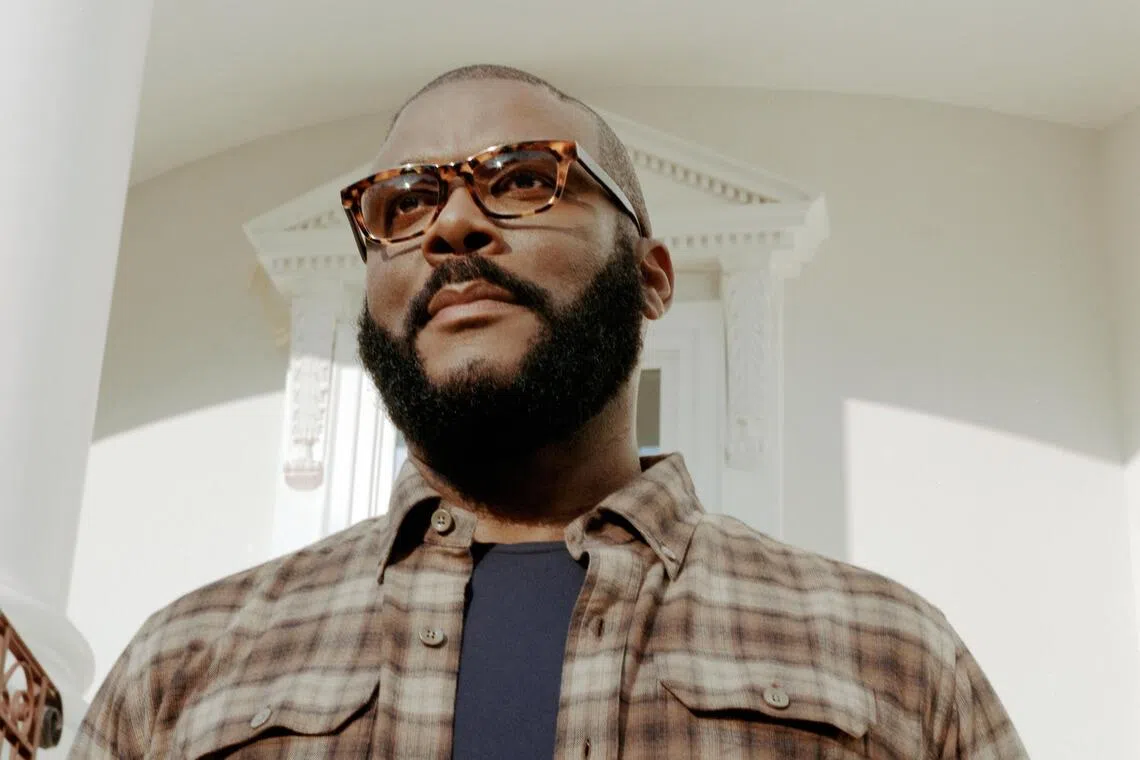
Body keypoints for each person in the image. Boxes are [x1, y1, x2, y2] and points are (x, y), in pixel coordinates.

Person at [71, 65, 1029, 759]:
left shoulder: (891, 657)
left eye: (524, 179)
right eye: (402, 203)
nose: (452, 224)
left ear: (651, 278)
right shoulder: (180, 668)